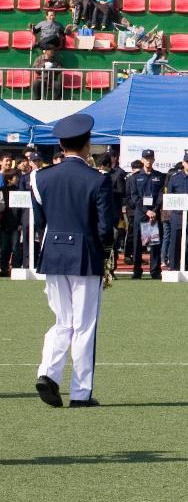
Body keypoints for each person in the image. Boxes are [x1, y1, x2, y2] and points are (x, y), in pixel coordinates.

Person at [32, 113, 113, 409]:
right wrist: (106, 252)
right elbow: (105, 228)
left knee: (62, 321)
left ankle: (48, 373)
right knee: (84, 326)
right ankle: (80, 392)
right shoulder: (97, 180)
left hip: (52, 255)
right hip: (85, 255)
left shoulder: (40, 178)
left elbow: (41, 222)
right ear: (87, 144)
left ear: (61, 144)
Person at [127, 149, 164, 278]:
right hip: (141, 213)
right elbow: (134, 197)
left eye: (150, 158)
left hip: (153, 214)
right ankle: (137, 271)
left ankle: (154, 271)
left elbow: (160, 195)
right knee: (137, 244)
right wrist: (146, 211)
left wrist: (154, 211)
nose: (148, 160)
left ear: (154, 159)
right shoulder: (135, 177)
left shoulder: (159, 176)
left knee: (153, 244)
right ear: (142, 160)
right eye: (146, 158)